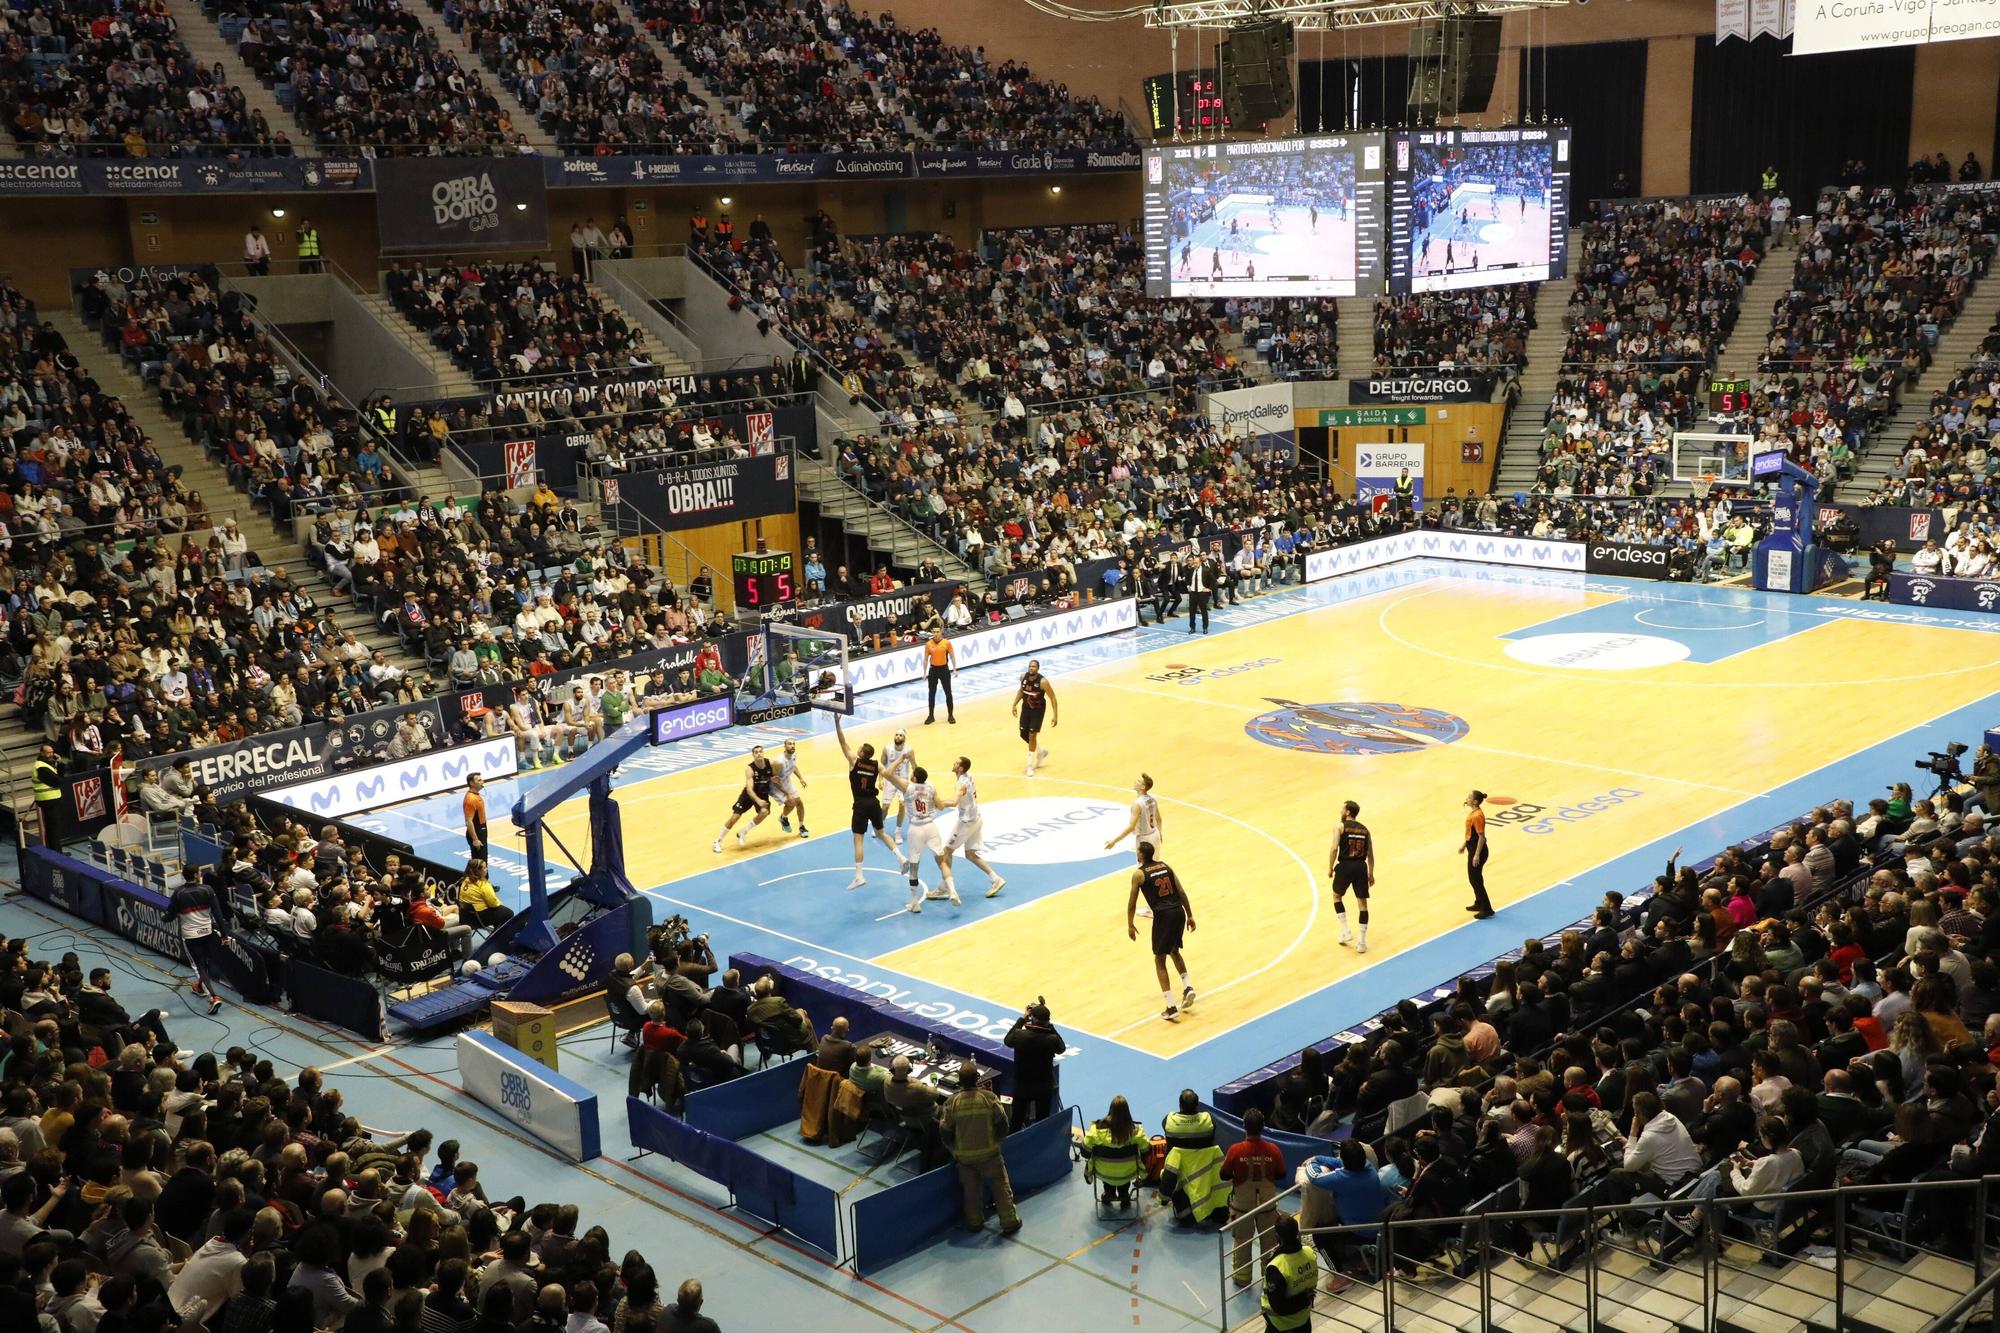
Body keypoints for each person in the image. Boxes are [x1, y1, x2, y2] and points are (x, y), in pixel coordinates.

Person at [939, 1063, 1019, 1236]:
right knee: (1000, 1186)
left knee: (971, 1191)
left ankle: (975, 1223)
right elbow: (1003, 1125)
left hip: (965, 1159)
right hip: (990, 1154)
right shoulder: (989, 1098)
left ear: (959, 1081)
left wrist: (953, 1150)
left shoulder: (952, 1103)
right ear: (978, 1079)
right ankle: (1009, 1222)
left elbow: (945, 1131)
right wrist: (997, 1142)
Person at [832, 717, 903, 892]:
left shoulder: (854, 761)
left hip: (861, 804)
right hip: (874, 803)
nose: (856, 750)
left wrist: (837, 723)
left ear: (862, 753)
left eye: (859, 749)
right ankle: (902, 858)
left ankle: (859, 876)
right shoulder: (876, 764)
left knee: (858, 841)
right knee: (881, 833)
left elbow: (842, 742)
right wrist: (901, 763)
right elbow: (888, 774)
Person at [1128, 841, 1196, 1021]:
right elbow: (1181, 892)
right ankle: (1188, 986)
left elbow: (1132, 902)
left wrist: (1130, 924)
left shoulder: (1139, 874)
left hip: (1163, 916)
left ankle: (1171, 1006)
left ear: (1141, 855)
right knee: (1174, 950)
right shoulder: (1165, 866)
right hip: (1178, 912)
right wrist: (1189, 915)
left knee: (1160, 959)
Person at [1225, 1109, 1287, 1288]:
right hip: (1267, 1205)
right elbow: (1282, 1173)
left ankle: (1242, 1279)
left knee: (1241, 1241)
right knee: (1269, 1243)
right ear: (1263, 1126)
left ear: (1244, 1126)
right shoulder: (1273, 1149)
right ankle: (1269, 1279)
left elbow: (1224, 1174)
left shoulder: (1235, 1150)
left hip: (1241, 1207)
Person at [881, 763, 953, 909]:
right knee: (942, 861)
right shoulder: (931, 787)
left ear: (914, 777)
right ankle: (953, 891)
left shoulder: (908, 787)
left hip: (916, 829)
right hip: (931, 826)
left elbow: (887, 773)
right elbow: (940, 806)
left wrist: (900, 758)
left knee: (914, 866)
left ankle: (914, 902)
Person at [940, 756, 1006, 898]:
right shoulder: (968, 776)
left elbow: (953, 802)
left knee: (947, 851)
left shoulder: (961, 784)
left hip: (967, 822)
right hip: (976, 818)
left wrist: (938, 803)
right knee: (970, 854)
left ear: (961, 768)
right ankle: (996, 879)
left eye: (956, 763)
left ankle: (945, 888)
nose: (953, 763)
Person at [1159, 1090, 1227, 1226]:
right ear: (1197, 1105)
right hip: (1205, 1172)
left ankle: (1184, 1211)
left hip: (1181, 1172)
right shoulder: (1208, 1120)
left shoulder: (1169, 1121)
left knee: (1166, 1174)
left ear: (1180, 1105)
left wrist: (1164, 1199)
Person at [171, 874, 228, 1015]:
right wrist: (224, 935)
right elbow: (218, 913)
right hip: (207, 932)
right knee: (206, 961)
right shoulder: (207, 889)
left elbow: (170, 915)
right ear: (197, 875)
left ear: (184, 876)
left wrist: (166, 916)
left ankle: (214, 997)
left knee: (199, 966)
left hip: (191, 936)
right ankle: (200, 987)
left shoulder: (179, 892)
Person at [1003, 1002, 1063, 1128]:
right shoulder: (1051, 1039)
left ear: (1032, 1019)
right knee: (1042, 1123)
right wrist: (1050, 1026)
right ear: (1047, 1021)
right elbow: (1061, 1048)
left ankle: (1014, 1145)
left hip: (1022, 1086)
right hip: (1043, 1088)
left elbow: (1007, 1040)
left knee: (1016, 1121)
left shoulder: (1019, 1035)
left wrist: (1022, 1018)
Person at [1081, 1097, 1149, 1206]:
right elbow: (1146, 1150)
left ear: (1110, 1110)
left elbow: (1084, 1152)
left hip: (1103, 1173)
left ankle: (1109, 1193)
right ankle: (1124, 1194)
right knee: (1123, 1171)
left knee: (1109, 1169)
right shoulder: (1136, 1131)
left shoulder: (1096, 1130)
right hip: (1128, 1173)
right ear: (1127, 1111)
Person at [1329, 799, 1375, 954]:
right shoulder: (1365, 830)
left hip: (1345, 866)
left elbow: (1334, 848)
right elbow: (1370, 854)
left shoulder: (1340, 826)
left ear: (1348, 812)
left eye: (1342, 809)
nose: (1340, 811)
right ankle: (1362, 942)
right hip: (1361, 867)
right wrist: (1371, 873)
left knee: (1337, 896)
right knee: (1362, 905)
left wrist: (1330, 868)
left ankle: (1345, 930)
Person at [711, 745, 775, 853]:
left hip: (762, 794)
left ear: (763, 753)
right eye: (756, 752)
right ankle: (717, 841)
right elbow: (749, 789)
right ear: (753, 755)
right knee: (735, 817)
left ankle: (743, 832)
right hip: (748, 795)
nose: (759, 753)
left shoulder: (770, 764)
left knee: (764, 812)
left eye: (760, 751)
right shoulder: (750, 768)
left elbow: (775, 777)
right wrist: (758, 800)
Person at [1261, 1214, 1317, 1331]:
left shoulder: (1276, 1266)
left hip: (1282, 1325)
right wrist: (1305, 1299)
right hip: (1304, 1319)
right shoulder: (1310, 1253)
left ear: (1277, 1236)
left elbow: (1279, 1306)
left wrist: (1304, 1299)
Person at [1012, 659, 1058, 776]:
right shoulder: (1023, 677)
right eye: (1030, 666)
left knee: (1032, 735)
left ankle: (1029, 766)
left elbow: (1053, 698)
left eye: (1034, 666)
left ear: (1038, 669)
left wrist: (1055, 715)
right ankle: (1040, 752)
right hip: (1026, 709)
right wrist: (1014, 704)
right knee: (1024, 734)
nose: (1031, 668)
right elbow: (1021, 691)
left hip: (1038, 711)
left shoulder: (1043, 682)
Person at [1460, 790, 1494, 918]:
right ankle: (1479, 903)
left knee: (1475, 880)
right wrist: (1464, 846)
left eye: (1469, 797)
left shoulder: (1477, 816)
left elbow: (1481, 837)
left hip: (1478, 851)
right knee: (1475, 879)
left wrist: (1476, 855)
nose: (1466, 798)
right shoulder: (1474, 813)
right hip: (1472, 849)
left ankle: (1487, 908)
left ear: (1474, 802)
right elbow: (1471, 833)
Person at [880, 729, 915, 842]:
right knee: (885, 806)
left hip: (903, 781)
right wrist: (880, 779)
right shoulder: (887, 748)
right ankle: (880, 826)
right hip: (889, 780)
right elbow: (881, 765)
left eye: (901, 735)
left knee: (902, 805)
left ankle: (898, 832)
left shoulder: (909, 750)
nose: (898, 737)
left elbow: (914, 765)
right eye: (896, 735)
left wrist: (916, 779)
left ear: (904, 738)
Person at [772, 739, 808, 838]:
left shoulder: (794, 755)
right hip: (775, 786)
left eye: (793, 744)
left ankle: (801, 827)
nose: (792, 746)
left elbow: (794, 766)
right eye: (789, 744)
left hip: (786, 781)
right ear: (784, 746)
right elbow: (774, 780)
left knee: (799, 803)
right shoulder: (779, 762)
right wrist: (787, 794)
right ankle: (783, 817)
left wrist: (800, 778)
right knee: (791, 803)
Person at [922, 628, 956, 725]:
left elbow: (952, 656)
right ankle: (931, 715)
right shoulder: (928, 644)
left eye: (937, 632)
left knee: (948, 692)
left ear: (941, 632)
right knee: (931, 693)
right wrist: (924, 673)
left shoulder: (947, 643)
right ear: (932, 633)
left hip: (944, 669)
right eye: (934, 632)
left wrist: (954, 669)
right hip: (933, 670)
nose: (935, 634)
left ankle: (950, 715)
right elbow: (925, 659)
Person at [464, 773, 488, 858]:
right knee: (480, 863)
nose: (482, 782)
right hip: (477, 832)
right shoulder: (471, 799)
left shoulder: (476, 795)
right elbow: (468, 821)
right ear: (471, 783)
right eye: (479, 780)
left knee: (482, 861)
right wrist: (475, 839)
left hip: (482, 829)